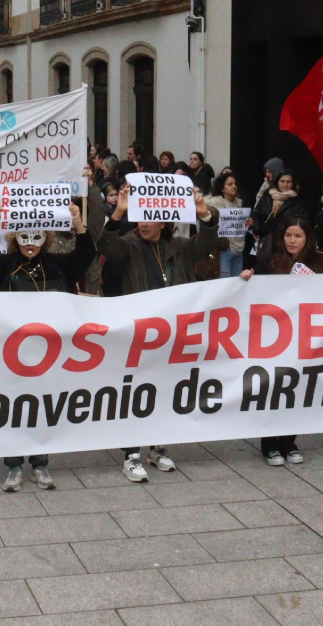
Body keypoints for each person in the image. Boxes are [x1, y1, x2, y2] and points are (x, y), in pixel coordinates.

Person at [97, 182, 218, 481]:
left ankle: (158, 448)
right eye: (140, 217)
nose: (144, 223)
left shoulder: (180, 248)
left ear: (164, 222)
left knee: (163, 390)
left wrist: (206, 216)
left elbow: (210, 241)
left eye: (150, 218)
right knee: (135, 392)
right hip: (139, 334)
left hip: (171, 335)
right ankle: (131, 454)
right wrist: (117, 214)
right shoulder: (128, 244)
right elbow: (105, 245)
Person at [0, 200, 97, 492]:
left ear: (46, 237)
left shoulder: (58, 263)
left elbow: (87, 254)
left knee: (44, 405)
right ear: (15, 237)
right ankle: (14, 466)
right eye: (24, 236)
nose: (30, 243)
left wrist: (79, 223)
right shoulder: (5, 264)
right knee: (14, 407)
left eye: (36, 236)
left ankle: (40, 464)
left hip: (51, 349)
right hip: (13, 349)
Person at [241, 217, 323, 466]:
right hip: (273, 336)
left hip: (303, 338)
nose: (292, 241)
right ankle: (269, 444)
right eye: (288, 235)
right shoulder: (269, 261)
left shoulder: (321, 264)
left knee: (295, 389)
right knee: (272, 387)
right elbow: (254, 289)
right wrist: (248, 278)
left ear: (307, 238)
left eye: (298, 236)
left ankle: (289, 442)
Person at [206, 171, 245, 279]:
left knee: (237, 283)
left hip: (239, 249)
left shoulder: (240, 204)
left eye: (235, 183)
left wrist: (248, 222)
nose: (234, 186)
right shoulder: (214, 205)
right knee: (224, 284)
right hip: (224, 250)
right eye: (230, 184)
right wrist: (223, 243)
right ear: (222, 188)